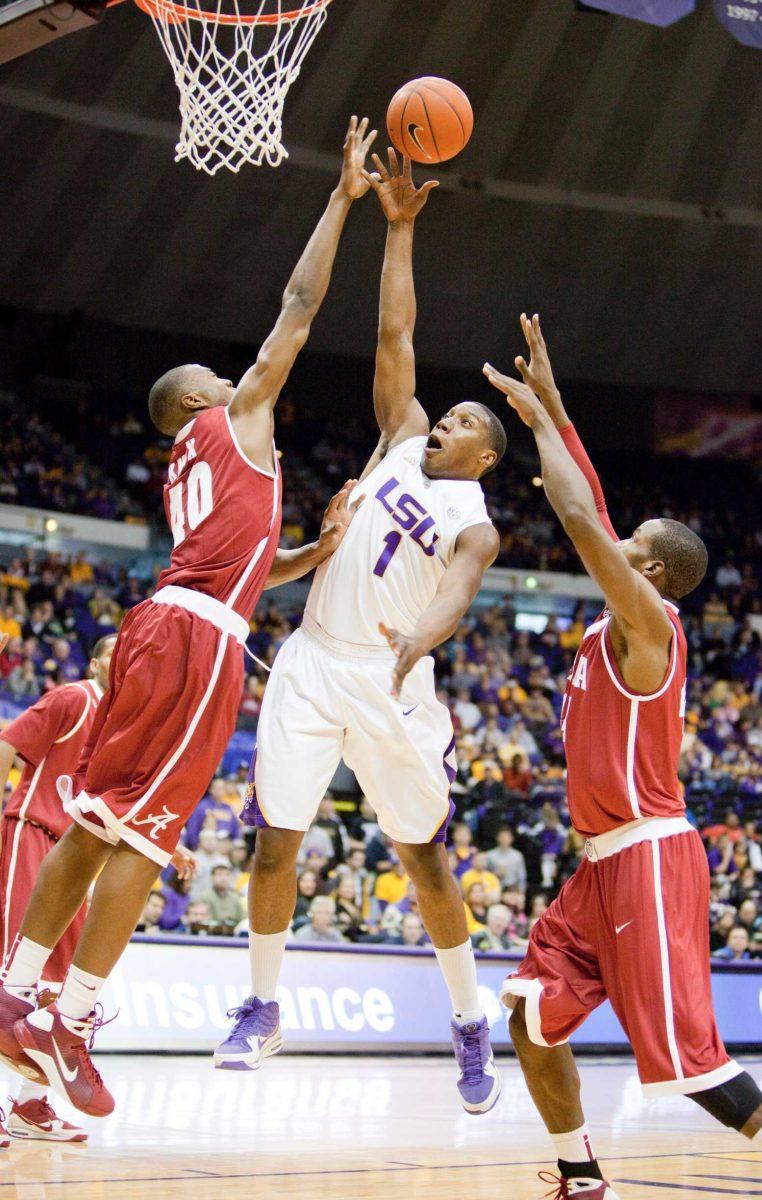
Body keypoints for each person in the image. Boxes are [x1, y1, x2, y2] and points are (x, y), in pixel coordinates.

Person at [0, 117, 377, 1120]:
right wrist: (341, 198)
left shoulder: (193, 468)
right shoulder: (232, 415)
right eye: (224, 374)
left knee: (97, 815)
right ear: (202, 398)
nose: (239, 373)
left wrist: (312, 552)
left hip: (163, 621)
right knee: (144, 840)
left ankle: (21, 990)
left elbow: (238, 572)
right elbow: (298, 306)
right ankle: (74, 1017)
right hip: (196, 641)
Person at [484, 314, 762, 1200]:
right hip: (598, 868)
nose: (613, 545)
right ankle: (582, 1174)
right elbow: (590, 501)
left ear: (651, 575)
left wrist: (544, 422)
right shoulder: (625, 618)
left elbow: (580, 513)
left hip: (651, 859)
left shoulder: (650, 626)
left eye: (630, 548)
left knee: (690, 1060)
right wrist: (551, 405)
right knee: (531, 1017)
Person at [217, 151, 506, 1115]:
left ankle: (469, 1023)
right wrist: (400, 225)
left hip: (394, 683)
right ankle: (263, 1005)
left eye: (463, 420)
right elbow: (396, 329)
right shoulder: (397, 435)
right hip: (310, 661)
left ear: (484, 456)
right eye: (446, 411)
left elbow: (459, 591)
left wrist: (421, 640)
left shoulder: (476, 518)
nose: (445, 420)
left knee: (423, 857)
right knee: (274, 842)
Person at [0, 636, 115, 1142]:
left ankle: (30, 1106)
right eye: (117, 655)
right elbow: (8, 743)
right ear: (96, 663)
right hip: (31, 832)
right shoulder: (72, 697)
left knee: (54, 986)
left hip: (73, 860)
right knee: (10, 974)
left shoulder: (119, 725)